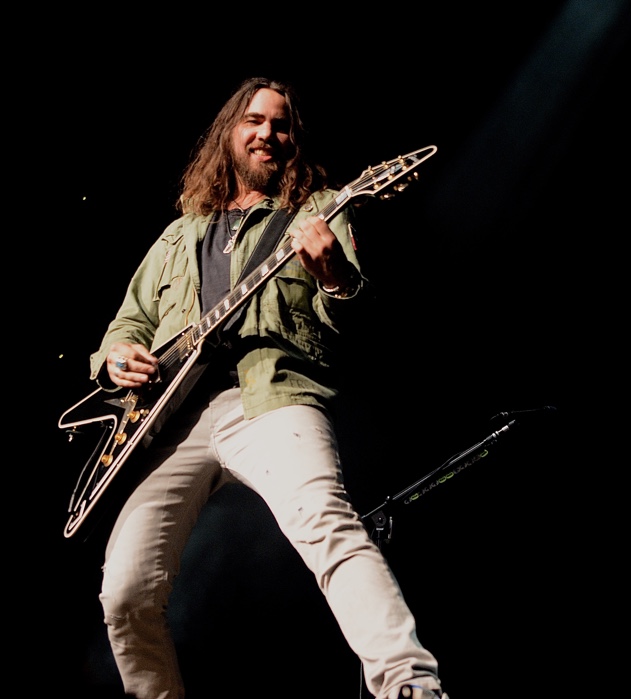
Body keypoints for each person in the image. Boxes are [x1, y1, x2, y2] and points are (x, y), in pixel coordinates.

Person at [84, 77, 449, 699]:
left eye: (281, 125)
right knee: (124, 592)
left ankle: (409, 684)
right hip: (171, 421)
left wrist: (333, 276)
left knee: (326, 523)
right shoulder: (180, 234)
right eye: (254, 120)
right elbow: (128, 325)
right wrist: (117, 357)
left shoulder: (321, 209)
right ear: (229, 133)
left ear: (294, 140)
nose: (267, 134)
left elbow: (358, 325)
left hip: (272, 397)